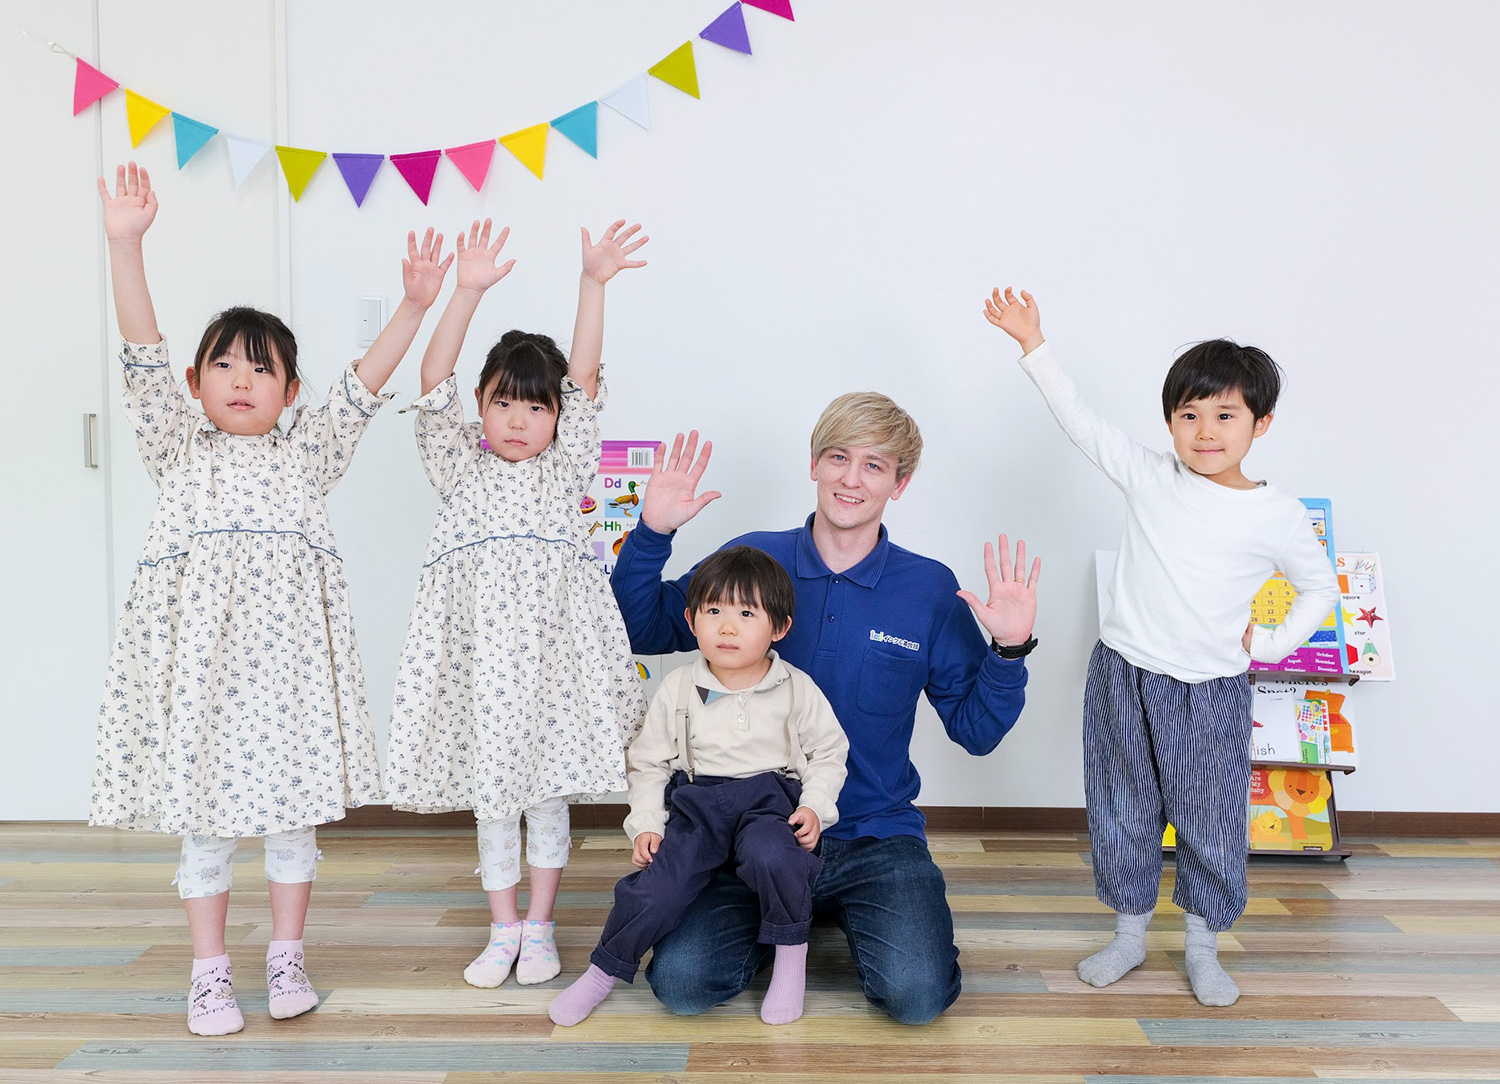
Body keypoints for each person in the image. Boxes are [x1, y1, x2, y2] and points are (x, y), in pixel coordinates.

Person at [90, 162, 448, 1036]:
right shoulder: (179, 452)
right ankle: (208, 973)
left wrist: (414, 307)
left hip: (287, 679)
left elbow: (363, 388)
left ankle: (287, 956)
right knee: (207, 829)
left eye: (263, 369)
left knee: (292, 825)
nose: (242, 380)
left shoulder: (307, 457)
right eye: (224, 366)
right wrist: (125, 244)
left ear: (292, 393)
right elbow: (139, 352)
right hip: (203, 679)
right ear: (195, 384)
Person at [610, 401, 1041, 1025]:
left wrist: (1008, 651)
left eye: (874, 465)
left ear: (900, 482)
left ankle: (824, 910)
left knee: (917, 999)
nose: (851, 478)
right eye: (838, 457)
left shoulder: (928, 590)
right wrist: (652, 534)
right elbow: (638, 625)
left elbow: (976, 733)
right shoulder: (755, 558)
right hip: (744, 835)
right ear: (814, 463)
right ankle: (788, 914)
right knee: (680, 984)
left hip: (874, 835)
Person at [982, 285, 1340, 1006]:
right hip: (1123, 675)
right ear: (1171, 422)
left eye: (1225, 415)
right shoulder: (1150, 476)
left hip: (1210, 686)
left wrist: (1271, 642)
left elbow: (1320, 590)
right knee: (1121, 808)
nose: (1205, 431)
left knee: (1208, 817)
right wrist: (1034, 346)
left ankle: (1204, 945)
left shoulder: (1276, 515)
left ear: (1260, 423)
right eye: (1189, 414)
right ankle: (1129, 934)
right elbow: (1080, 423)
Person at [385, 218, 649, 991]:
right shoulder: (457, 467)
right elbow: (432, 380)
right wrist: (463, 293)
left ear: (557, 419)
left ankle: (540, 927)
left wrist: (591, 284)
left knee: (546, 795)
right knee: (492, 798)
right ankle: (502, 926)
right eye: (503, 404)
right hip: (479, 667)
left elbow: (585, 377)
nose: (517, 420)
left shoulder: (564, 471)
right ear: (483, 405)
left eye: (535, 409)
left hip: (552, 663)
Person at [551, 546, 849, 1027]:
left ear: (779, 627)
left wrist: (815, 806)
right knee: (658, 888)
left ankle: (790, 959)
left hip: (768, 803)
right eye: (714, 611)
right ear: (692, 620)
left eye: (746, 613)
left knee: (780, 856)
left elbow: (829, 753)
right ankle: (603, 971)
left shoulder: (797, 687)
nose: (727, 627)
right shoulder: (679, 686)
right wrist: (647, 822)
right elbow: (647, 762)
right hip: (698, 804)